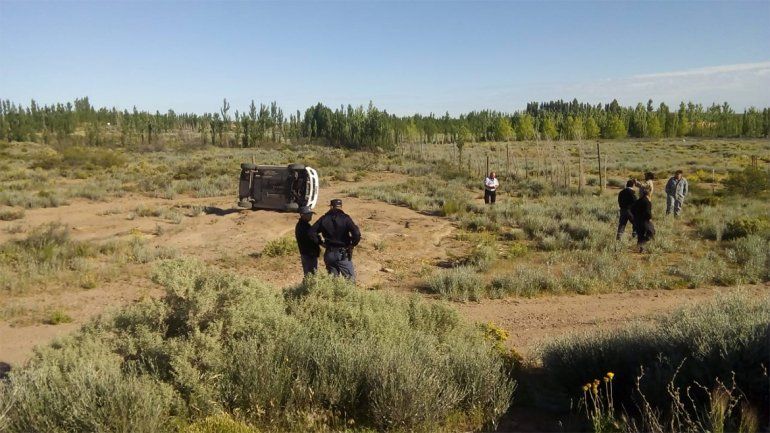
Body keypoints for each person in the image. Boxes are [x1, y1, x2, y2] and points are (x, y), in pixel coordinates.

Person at [309, 198, 361, 281]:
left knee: (333, 281)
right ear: (341, 206)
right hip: (343, 253)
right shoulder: (346, 218)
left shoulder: (324, 218)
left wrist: (320, 242)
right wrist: (352, 244)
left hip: (329, 253)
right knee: (350, 280)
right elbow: (357, 233)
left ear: (331, 207)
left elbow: (311, 232)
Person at [295, 205, 320, 277]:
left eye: (311, 214)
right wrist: (320, 242)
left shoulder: (305, 225)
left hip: (308, 254)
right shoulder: (302, 226)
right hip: (308, 254)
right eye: (308, 214)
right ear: (302, 215)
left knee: (310, 275)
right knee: (310, 275)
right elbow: (312, 238)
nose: (311, 216)